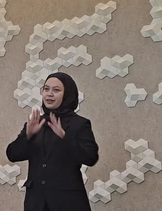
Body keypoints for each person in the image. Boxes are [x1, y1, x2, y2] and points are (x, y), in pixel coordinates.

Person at [6, 72, 99, 211]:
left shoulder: (79, 124)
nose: (49, 94)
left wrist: (65, 137)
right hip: (36, 203)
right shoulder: (35, 123)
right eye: (46, 89)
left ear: (67, 94)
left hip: (68, 203)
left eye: (56, 90)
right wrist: (28, 135)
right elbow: (12, 155)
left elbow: (91, 157)